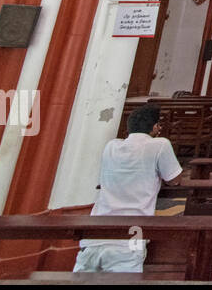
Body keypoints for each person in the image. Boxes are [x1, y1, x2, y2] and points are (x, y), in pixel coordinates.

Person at [73, 103, 183, 273]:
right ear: (155, 127)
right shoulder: (160, 145)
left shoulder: (111, 146)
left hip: (95, 233)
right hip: (131, 237)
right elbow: (174, 179)